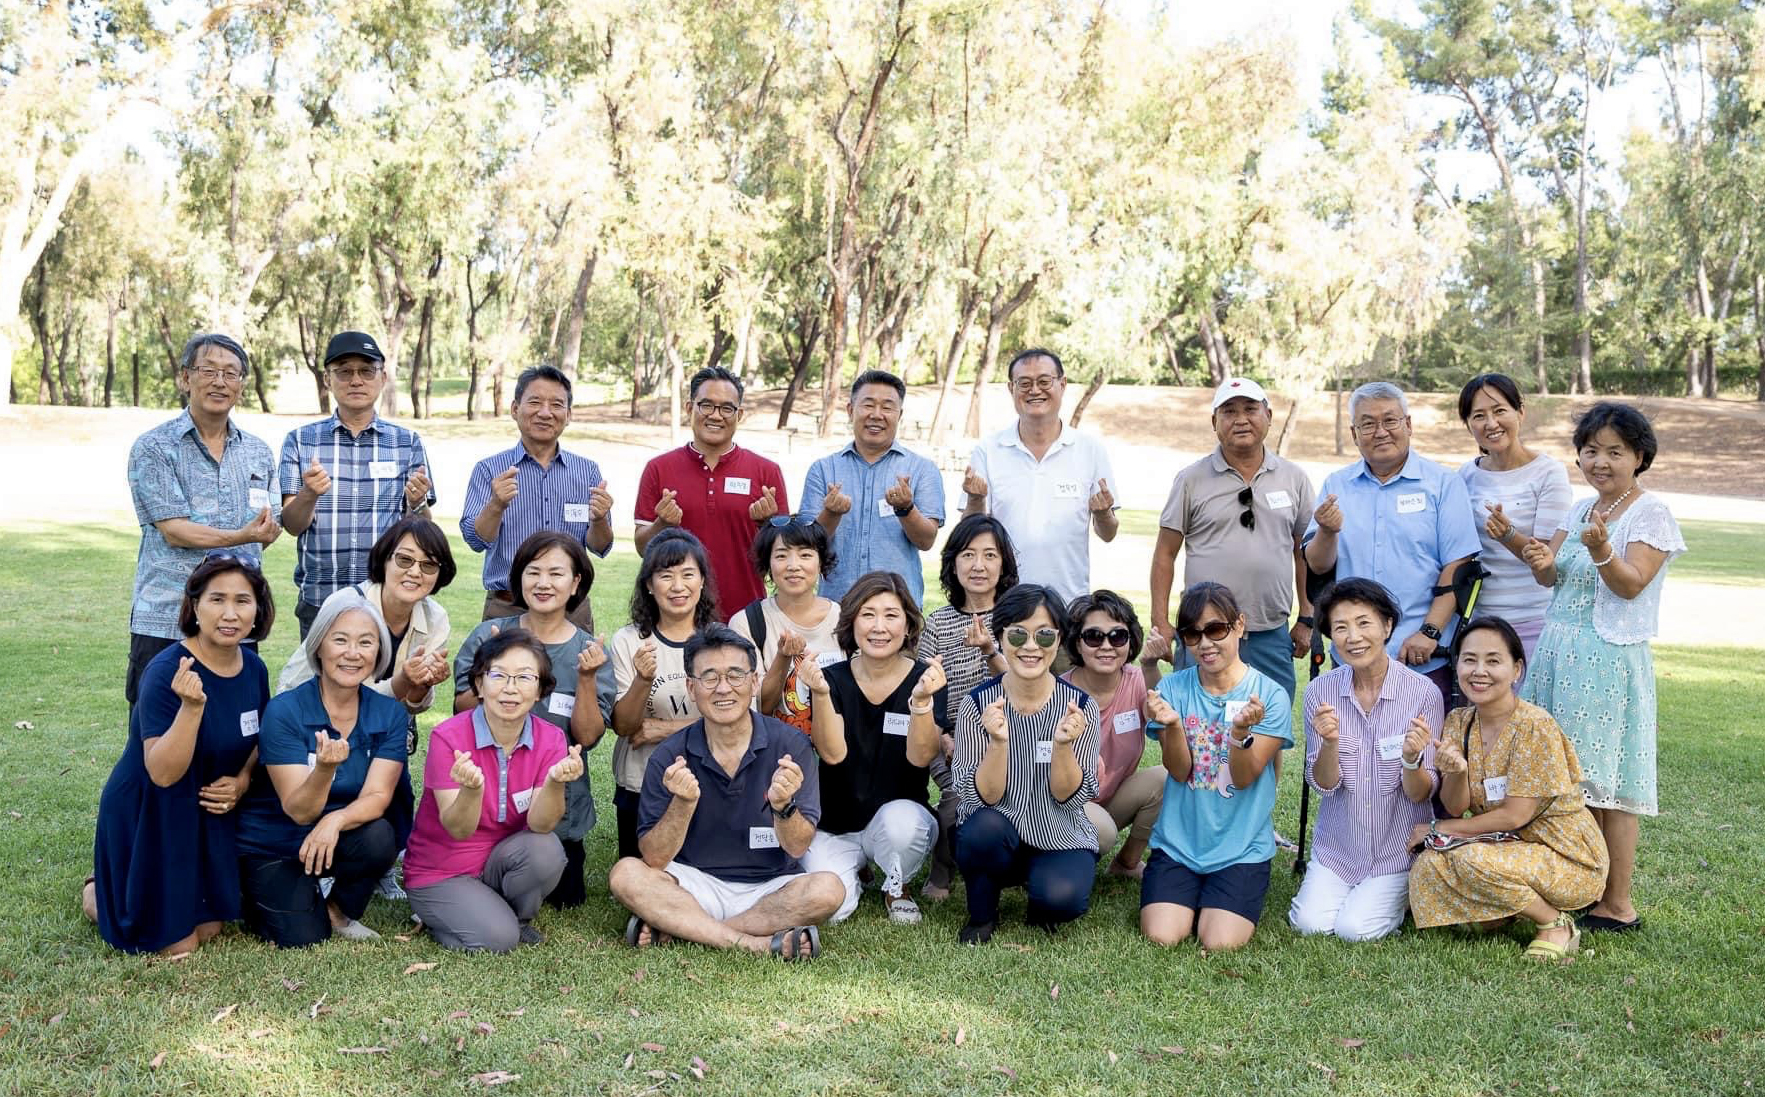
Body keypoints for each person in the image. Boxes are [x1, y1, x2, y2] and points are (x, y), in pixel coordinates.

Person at [1520, 402, 1682, 934]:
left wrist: (1603, 551)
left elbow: (1631, 582)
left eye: (1615, 451)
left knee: (1605, 783)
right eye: (1591, 451)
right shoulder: (1582, 510)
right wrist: (1520, 547)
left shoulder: (1650, 512)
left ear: (1640, 456)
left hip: (1606, 659)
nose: (1601, 461)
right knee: (1567, 780)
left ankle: (1615, 902)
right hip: (1559, 653)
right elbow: (1550, 575)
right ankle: (1578, 888)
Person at [608, 627, 844, 958]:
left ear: (754, 681)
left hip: (768, 886)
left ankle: (684, 927)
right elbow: (655, 858)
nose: (723, 688)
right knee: (626, 874)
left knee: (828, 890)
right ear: (691, 687)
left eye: (735, 675)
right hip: (693, 882)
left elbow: (798, 845)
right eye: (709, 677)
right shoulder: (670, 754)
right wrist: (683, 803)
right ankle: (756, 944)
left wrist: (783, 806)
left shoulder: (791, 745)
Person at [88, 554, 274, 955]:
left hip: (204, 813)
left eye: (242, 601)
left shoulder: (255, 668)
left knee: (209, 930)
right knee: (178, 946)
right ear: (194, 607)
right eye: (216, 599)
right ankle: (97, 896)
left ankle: (122, 889)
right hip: (152, 808)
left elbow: (258, 739)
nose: (230, 613)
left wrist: (242, 780)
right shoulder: (165, 670)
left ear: (258, 610)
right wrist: (191, 709)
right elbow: (162, 773)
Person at [1409, 617, 1609, 961]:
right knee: (1429, 865)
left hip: (1563, 853)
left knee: (1465, 856)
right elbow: (1456, 806)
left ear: (1516, 670)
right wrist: (1458, 772)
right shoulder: (1459, 721)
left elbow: (1516, 815)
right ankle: (1500, 913)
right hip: (1508, 848)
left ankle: (1555, 924)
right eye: (1469, 660)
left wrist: (1439, 829)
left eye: (1493, 660)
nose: (1479, 671)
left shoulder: (1535, 726)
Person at [279, 515, 455, 900]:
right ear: (384, 560)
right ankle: (324, 864)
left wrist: (421, 684)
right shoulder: (348, 604)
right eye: (404, 560)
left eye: (429, 565)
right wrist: (401, 683)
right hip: (318, 713)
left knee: (394, 792)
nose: (415, 572)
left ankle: (379, 867)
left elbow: (413, 705)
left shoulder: (434, 619)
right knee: (329, 788)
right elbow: (323, 679)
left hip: (382, 725)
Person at [235, 593, 411, 946]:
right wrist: (324, 770)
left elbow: (378, 796)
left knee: (380, 836)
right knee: (303, 938)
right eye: (340, 640)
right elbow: (300, 811)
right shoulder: (285, 711)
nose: (352, 653)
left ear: (378, 653)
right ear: (318, 647)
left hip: (337, 835)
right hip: (277, 839)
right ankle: (254, 893)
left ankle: (337, 907)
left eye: (366, 642)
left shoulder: (389, 714)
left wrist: (335, 821)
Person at [451, 531, 613, 908]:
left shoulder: (589, 651)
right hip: (489, 800)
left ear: (576, 583)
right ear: (519, 579)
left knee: (564, 898)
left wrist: (586, 678)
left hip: (558, 810)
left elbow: (587, 738)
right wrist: (491, 669)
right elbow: (461, 712)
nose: (543, 583)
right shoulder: (487, 636)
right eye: (532, 571)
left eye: (556, 573)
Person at [125, 333, 279, 704]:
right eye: (208, 370)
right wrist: (242, 536)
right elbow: (174, 530)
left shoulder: (257, 451)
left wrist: (269, 529)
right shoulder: (155, 447)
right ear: (185, 378)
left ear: (242, 384)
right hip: (166, 618)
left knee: (236, 735)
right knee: (156, 737)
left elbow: (267, 521)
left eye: (231, 373)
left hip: (235, 620)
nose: (219, 381)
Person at [1304, 381, 1481, 703]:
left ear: (1409, 425)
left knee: (1423, 751)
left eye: (1390, 420)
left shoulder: (1442, 484)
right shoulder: (1336, 485)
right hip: (1352, 656)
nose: (1380, 431)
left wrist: (1430, 632)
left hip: (1420, 655)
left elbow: (1458, 566)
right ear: (1355, 433)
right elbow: (1317, 564)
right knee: (1349, 750)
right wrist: (1327, 531)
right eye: (1367, 424)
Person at [405, 631, 581, 951]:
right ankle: (441, 918)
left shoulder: (551, 738)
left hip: (499, 862)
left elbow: (541, 825)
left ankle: (512, 917)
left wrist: (556, 782)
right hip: (442, 871)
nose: (510, 688)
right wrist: (471, 790)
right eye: (498, 675)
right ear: (478, 684)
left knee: (547, 849)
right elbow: (458, 829)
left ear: (541, 689)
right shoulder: (449, 738)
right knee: (498, 940)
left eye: (525, 677)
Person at [1140, 583, 1293, 951]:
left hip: (1241, 848)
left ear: (1239, 626)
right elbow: (1178, 771)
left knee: (1220, 942)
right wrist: (1173, 726)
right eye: (1193, 634)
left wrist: (1240, 733)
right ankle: (1185, 890)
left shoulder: (1269, 695)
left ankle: (1219, 895)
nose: (1205, 643)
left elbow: (1242, 777)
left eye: (1216, 629)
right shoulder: (1173, 688)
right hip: (1178, 844)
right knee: (1162, 935)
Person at [1288, 578, 1442, 942]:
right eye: (1340, 628)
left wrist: (1409, 760)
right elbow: (1324, 784)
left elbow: (1423, 793)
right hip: (1338, 849)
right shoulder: (1320, 692)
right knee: (1309, 924)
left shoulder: (1423, 694)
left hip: (1396, 850)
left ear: (1387, 626)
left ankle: (1403, 892)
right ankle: (1355, 891)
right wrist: (1329, 744)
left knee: (1355, 930)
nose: (1353, 637)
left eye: (1363, 623)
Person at [951, 584, 1101, 944]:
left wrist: (1063, 746)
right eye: (1018, 634)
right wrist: (998, 743)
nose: (1031, 646)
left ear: (1059, 640)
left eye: (1044, 635)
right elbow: (984, 797)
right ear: (1000, 637)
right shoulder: (978, 705)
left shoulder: (1079, 706)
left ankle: (1041, 894)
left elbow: (1069, 796)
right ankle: (983, 914)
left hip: (1058, 832)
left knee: (1061, 901)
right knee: (981, 830)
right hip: (997, 830)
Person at [1150, 377, 1315, 699]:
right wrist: (1161, 620)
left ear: (1268, 415)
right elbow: (1164, 554)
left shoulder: (1294, 478)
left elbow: (1303, 552)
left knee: (1270, 727)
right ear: (1214, 422)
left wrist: (1307, 617)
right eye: (1228, 411)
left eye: (1250, 409)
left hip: (1269, 632)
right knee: (1196, 727)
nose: (1241, 419)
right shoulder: (1190, 480)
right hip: (1203, 634)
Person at [796, 572, 943, 924]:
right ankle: (857, 872)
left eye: (891, 615)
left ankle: (897, 885)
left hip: (900, 817)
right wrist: (819, 693)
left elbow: (921, 756)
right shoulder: (830, 678)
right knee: (829, 910)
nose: (879, 627)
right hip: (835, 825)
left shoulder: (926, 679)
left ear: (908, 625)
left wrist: (921, 702)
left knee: (901, 827)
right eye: (868, 614)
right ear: (852, 622)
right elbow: (832, 755)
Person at [278, 331, 436, 638]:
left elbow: (421, 530)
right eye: (344, 372)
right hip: (320, 599)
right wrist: (309, 494)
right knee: (321, 686)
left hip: (387, 599)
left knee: (388, 687)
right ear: (327, 380)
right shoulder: (300, 441)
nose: (356, 380)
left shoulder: (406, 443)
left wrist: (417, 504)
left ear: (383, 377)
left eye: (366, 371)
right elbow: (291, 524)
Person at [460, 365, 614, 632]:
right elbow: (475, 540)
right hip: (507, 607)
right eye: (535, 402)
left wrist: (599, 520)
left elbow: (601, 547)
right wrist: (496, 505)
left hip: (571, 610)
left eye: (556, 404)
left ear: (568, 415)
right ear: (514, 409)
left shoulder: (587, 471)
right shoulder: (489, 470)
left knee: (578, 675)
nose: (545, 412)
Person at [915, 513, 1021, 900]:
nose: (978, 565)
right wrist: (943, 734)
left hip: (1016, 736)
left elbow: (1027, 684)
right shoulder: (939, 623)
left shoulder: (1017, 618)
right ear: (952, 563)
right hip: (953, 741)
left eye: (990, 555)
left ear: (1004, 563)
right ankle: (942, 870)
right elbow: (925, 687)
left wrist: (991, 650)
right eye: (968, 554)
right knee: (956, 802)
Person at [960, 349, 1117, 602]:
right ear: (1011, 388)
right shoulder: (988, 451)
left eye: (1044, 381)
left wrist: (1102, 513)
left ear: (1062, 384)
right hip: (1003, 603)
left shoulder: (1090, 449)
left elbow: (1108, 533)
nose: (1035, 390)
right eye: (1024, 383)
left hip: (1069, 603)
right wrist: (976, 500)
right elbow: (968, 535)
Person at [635, 366, 789, 616]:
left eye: (726, 408)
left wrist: (767, 524)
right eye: (706, 405)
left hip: (746, 615)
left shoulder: (766, 472)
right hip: (676, 617)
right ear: (689, 408)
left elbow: (783, 554)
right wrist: (662, 523)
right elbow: (643, 547)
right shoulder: (658, 469)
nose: (716, 415)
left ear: (739, 415)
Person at [609, 530, 718, 858]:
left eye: (688, 574)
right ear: (648, 585)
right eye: (665, 576)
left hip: (707, 780)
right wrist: (643, 679)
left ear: (702, 581)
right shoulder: (629, 641)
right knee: (640, 874)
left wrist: (663, 729)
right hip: (640, 781)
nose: (678, 586)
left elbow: (739, 719)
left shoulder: (720, 641)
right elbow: (625, 727)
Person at [1455, 373, 1572, 666]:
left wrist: (1509, 535)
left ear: (1520, 411)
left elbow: (1547, 562)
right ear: (1469, 425)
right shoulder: (1465, 476)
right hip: (1479, 623)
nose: (1491, 423)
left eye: (1499, 411)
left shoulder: (1549, 473)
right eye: (1478, 415)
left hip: (1535, 622)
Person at [799, 369, 944, 604]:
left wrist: (906, 509)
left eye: (887, 407)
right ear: (850, 410)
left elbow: (926, 541)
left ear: (900, 414)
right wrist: (831, 514)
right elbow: (807, 545)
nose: (877, 415)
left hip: (897, 610)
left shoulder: (922, 469)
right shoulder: (824, 469)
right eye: (868, 405)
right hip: (835, 608)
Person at [1061, 590, 1168, 880]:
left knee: (1164, 779)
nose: (1106, 646)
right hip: (1064, 805)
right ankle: (1049, 856)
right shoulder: (1058, 692)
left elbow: (1162, 712)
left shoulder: (1136, 678)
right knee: (1103, 831)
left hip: (1110, 797)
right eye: (1094, 636)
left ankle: (1127, 863)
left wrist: (1150, 665)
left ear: (1130, 640)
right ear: (1076, 643)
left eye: (1117, 636)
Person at [729, 518, 843, 734]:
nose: (793, 566)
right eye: (781, 555)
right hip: (773, 754)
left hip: (837, 755)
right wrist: (783, 658)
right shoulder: (747, 623)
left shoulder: (844, 619)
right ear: (768, 564)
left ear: (821, 562)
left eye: (805, 555)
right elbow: (757, 707)